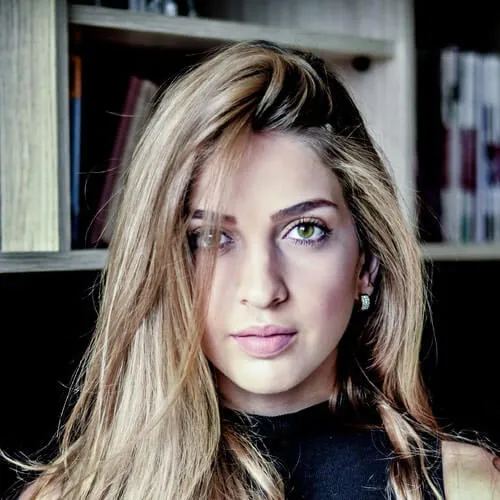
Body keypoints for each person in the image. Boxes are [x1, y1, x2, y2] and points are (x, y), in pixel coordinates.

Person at [12, 40, 500, 499]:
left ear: (366, 265)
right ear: (161, 264)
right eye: (209, 238)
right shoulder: (72, 494)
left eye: (305, 230)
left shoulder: (468, 486)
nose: (263, 289)